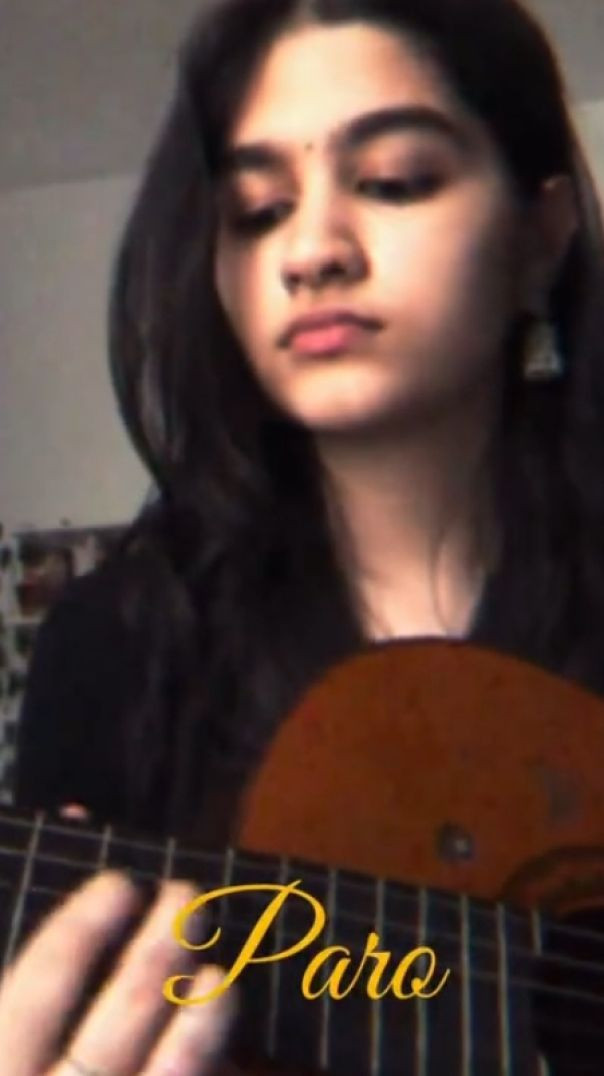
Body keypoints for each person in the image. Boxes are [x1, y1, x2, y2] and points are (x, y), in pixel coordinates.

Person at [3, 0, 604, 1070]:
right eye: (258, 209)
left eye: (395, 182)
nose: (313, 250)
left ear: (539, 234)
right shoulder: (115, 649)